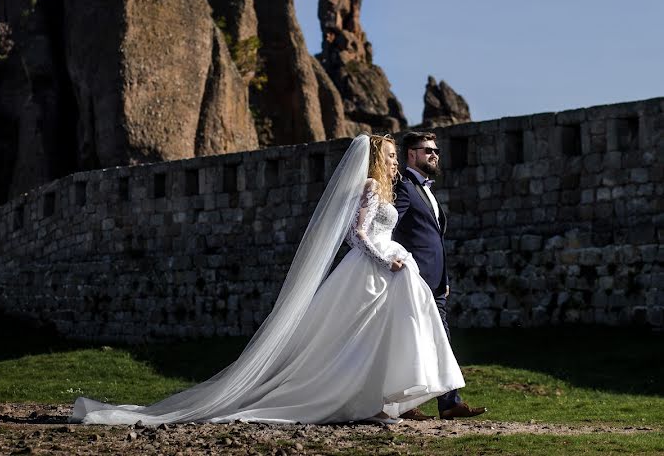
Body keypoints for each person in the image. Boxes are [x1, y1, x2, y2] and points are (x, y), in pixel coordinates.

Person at [70, 134, 464, 425]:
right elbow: (356, 235)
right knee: (355, 339)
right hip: (373, 269)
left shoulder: (388, 190)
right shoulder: (370, 187)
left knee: (381, 335)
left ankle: (383, 400)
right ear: (379, 158)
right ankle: (360, 399)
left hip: (388, 267)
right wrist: (384, 259)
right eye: (393, 156)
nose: (396, 163)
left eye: (398, 157)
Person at [392, 131, 486, 420]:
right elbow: (387, 226)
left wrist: (444, 279)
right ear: (412, 154)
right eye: (428, 150)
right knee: (413, 340)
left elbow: (433, 239)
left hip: (436, 281)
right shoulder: (405, 187)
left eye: (436, 151)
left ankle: (449, 402)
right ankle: (406, 404)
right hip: (414, 278)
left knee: (441, 338)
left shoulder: (426, 189)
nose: (435, 155)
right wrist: (395, 260)